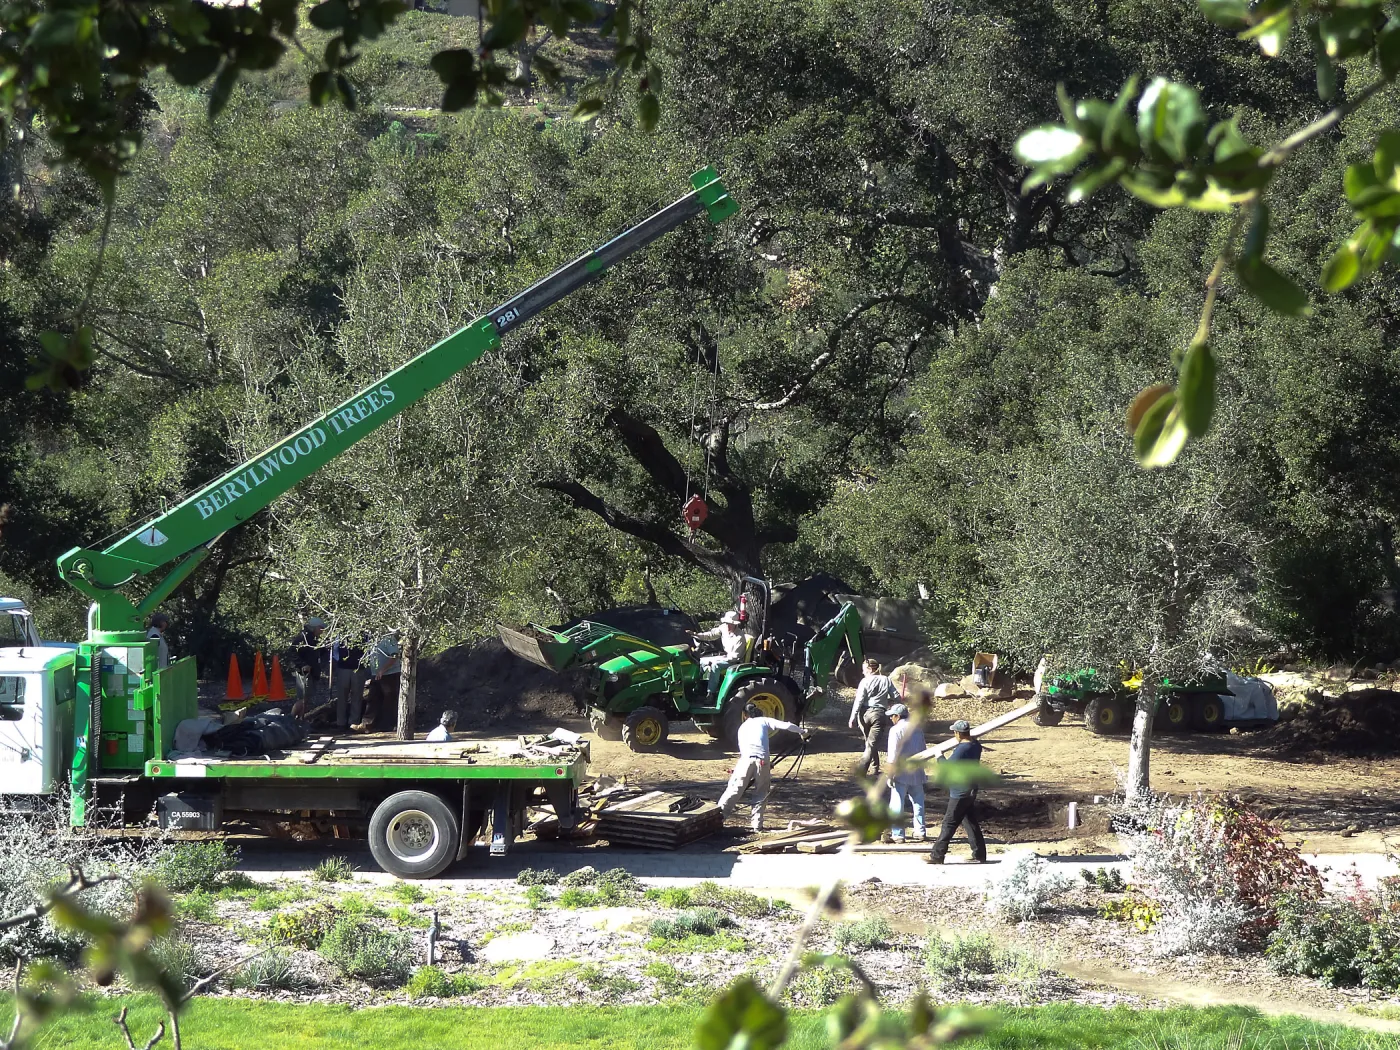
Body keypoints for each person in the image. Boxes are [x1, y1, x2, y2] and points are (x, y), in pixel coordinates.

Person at [718, 703, 810, 832]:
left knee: (734, 790)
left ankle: (717, 818)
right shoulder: (764, 720)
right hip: (762, 761)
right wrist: (803, 732)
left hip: (745, 760)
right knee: (761, 792)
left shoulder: (742, 727)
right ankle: (757, 825)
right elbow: (787, 726)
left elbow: (747, 748)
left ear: (745, 715)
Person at [927, 719, 987, 864]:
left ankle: (937, 855)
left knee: (949, 823)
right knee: (970, 822)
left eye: (955, 732)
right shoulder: (976, 745)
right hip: (971, 789)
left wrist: (939, 756)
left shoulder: (962, 749)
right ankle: (979, 854)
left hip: (960, 791)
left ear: (958, 733)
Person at [885, 703, 926, 843]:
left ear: (897, 716)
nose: (891, 718)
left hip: (900, 772)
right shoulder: (917, 729)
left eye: (892, 716)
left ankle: (898, 834)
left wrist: (890, 774)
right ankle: (920, 831)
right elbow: (923, 750)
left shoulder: (895, 730)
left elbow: (892, 755)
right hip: (917, 770)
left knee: (897, 803)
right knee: (918, 802)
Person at [849, 658, 897, 775]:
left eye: (864, 670)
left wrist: (852, 717)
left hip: (864, 714)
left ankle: (873, 767)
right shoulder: (886, 679)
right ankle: (864, 770)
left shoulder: (864, 681)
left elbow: (859, 700)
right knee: (871, 744)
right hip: (879, 714)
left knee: (869, 743)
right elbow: (896, 696)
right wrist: (901, 707)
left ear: (870, 669)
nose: (863, 672)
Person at [691, 611, 749, 700]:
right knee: (702, 661)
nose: (728, 626)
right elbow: (711, 635)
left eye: (730, 624)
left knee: (715, 665)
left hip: (734, 661)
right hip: (726, 656)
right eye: (727, 623)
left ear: (735, 624)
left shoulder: (739, 637)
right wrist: (696, 635)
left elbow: (735, 656)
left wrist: (719, 659)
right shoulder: (723, 628)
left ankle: (711, 694)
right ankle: (698, 686)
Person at [354, 631, 401, 732]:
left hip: (390, 674)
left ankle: (389, 726)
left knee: (390, 700)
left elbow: (394, 655)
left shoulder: (389, 639)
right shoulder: (372, 640)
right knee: (373, 698)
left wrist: (383, 670)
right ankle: (366, 725)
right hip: (376, 674)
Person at [290, 616, 327, 718]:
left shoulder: (314, 638)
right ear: (315, 627)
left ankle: (300, 719)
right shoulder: (303, 637)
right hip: (304, 673)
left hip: (313, 672)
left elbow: (316, 652)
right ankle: (291, 719)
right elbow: (292, 652)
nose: (323, 630)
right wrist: (302, 665)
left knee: (307, 699)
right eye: (321, 628)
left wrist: (325, 648)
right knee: (302, 699)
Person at [330, 634, 368, 730]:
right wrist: (339, 660)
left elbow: (368, 649)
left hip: (359, 668)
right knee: (342, 696)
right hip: (343, 668)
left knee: (357, 696)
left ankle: (353, 723)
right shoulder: (341, 633)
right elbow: (335, 648)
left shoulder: (364, 633)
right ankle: (341, 723)